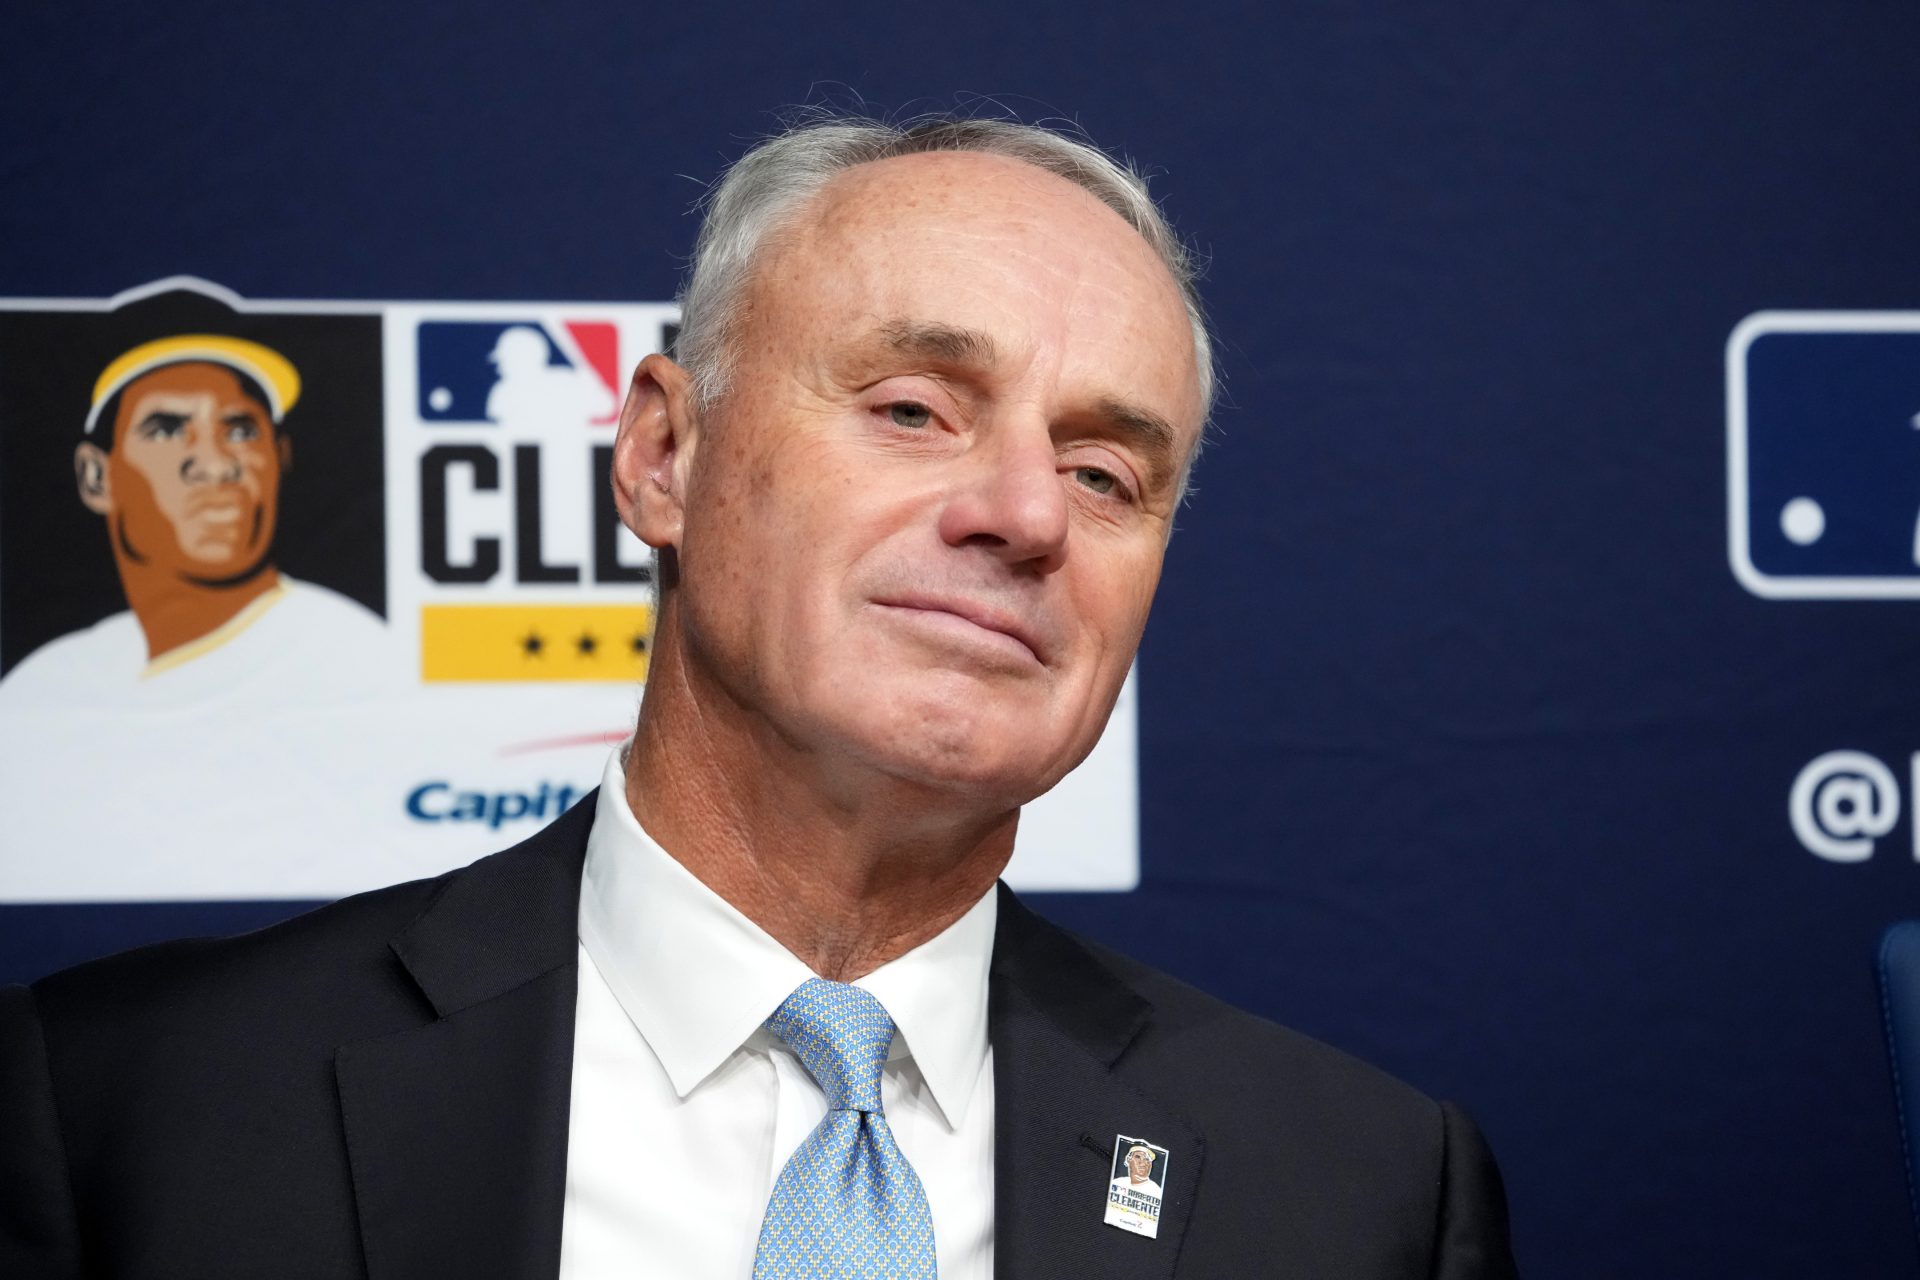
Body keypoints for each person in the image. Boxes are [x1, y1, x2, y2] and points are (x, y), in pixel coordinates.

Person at [0, 113, 1518, 1278]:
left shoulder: (1365, 1194)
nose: (1025, 514)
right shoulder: (127, 1111)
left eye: (1106, 473)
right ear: (665, 457)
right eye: (913, 408)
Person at [0, 330, 388, 706]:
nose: (215, 465)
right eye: (166, 431)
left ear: (280, 458)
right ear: (97, 477)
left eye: (241, 432)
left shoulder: (357, 660)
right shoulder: (47, 687)